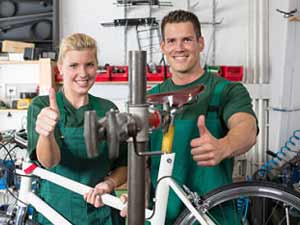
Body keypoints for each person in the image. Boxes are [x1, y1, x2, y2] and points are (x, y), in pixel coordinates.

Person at [145, 9, 258, 224]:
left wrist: (225, 145)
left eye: (187, 40)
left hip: (215, 215)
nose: (179, 48)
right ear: (163, 47)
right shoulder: (151, 99)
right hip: (163, 216)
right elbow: (144, 163)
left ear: (200, 43)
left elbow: (247, 127)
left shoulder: (225, 90)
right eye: (171, 41)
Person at [27, 33, 127, 225]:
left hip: (102, 212)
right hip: (56, 212)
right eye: (74, 65)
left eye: (89, 64)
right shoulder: (41, 107)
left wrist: (109, 184)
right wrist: (46, 134)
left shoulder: (108, 109)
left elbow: (123, 165)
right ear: (61, 69)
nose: (83, 73)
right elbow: (49, 162)